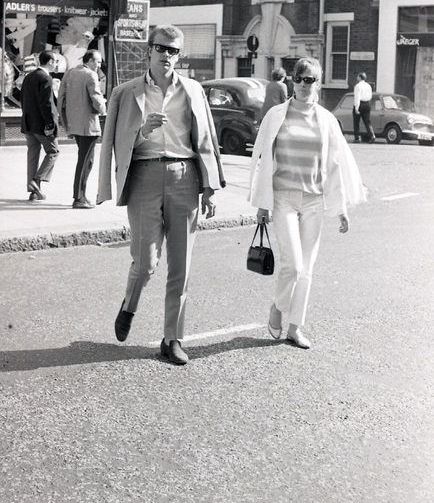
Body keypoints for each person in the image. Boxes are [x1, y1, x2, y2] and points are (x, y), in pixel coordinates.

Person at [97, 24, 226, 365]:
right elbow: (112, 143)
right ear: (149, 50)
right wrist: (141, 132)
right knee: (146, 262)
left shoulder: (194, 90)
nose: (167, 55)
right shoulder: (125, 93)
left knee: (180, 267)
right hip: (144, 175)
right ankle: (130, 304)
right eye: (161, 48)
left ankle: (172, 339)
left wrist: (209, 187)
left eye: (174, 51)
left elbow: (206, 142)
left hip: (185, 176)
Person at [249, 57, 366, 349]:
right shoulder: (277, 115)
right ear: (292, 80)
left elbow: (337, 164)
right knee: (294, 264)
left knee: (307, 268)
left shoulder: (326, 120)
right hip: (283, 198)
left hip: (314, 199)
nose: (303, 84)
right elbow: (264, 162)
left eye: (309, 79)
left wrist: (341, 209)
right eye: (299, 78)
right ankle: (277, 306)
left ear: (318, 81)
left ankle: (295, 327)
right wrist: (262, 204)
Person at [57, 50, 106, 209]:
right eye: (98, 62)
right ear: (90, 60)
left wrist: (66, 121)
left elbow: (61, 99)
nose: (99, 65)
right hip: (89, 125)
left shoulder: (70, 72)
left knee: (85, 160)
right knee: (85, 162)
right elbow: (97, 99)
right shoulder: (91, 75)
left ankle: (81, 195)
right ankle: (79, 197)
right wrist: (103, 109)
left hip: (75, 124)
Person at [20, 50, 60, 202]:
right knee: (54, 151)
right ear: (50, 61)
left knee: (33, 155)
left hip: (28, 123)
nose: (56, 64)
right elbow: (47, 105)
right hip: (42, 125)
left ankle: (34, 192)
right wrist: (50, 124)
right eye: (55, 61)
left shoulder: (29, 76)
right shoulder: (46, 78)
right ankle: (36, 181)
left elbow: (22, 99)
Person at [353, 72, 375, 143]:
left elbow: (357, 97)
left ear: (359, 77)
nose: (357, 77)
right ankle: (372, 135)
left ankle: (357, 138)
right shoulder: (368, 86)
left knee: (356, 122)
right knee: (367, 122)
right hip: (367, 103)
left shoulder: (357, 86)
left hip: (360, 104)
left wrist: (356, 107)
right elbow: (370, 96)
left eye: (357, 76)